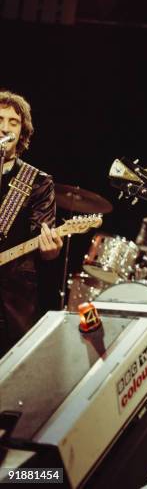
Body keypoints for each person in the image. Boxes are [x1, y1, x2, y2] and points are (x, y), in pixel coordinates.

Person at [0, 91, 63, 356]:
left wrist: (52, 249)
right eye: (0, 119)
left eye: (13, 122)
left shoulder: (37, 181)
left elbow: (43, 236)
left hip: (13, 294)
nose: (4, 127)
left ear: (22, 131)